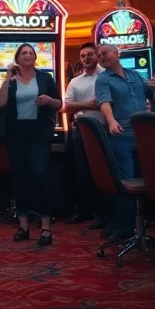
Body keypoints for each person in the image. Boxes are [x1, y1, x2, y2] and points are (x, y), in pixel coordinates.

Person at [94, 44, 155, 239]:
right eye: (99, 54)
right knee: (124, 181)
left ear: (117, 54)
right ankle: (124, 227)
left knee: (149, 179)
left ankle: (147, 224)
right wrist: (111, 121)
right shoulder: (103, 79)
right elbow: (104, 102)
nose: (101, 56)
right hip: (121, 134)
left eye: (105, 53)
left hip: (144, 135)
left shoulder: (134, 75)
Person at [0, 43, 62, 246]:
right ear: (17, 58)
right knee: (20, 178)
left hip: (39, 132)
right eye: (24, 53)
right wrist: (7, 77)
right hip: (16, 134)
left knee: (39, 175)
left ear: (35, 57)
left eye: (31, 53)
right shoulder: (12, 81)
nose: (28, 55)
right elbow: (0, 103)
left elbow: (59, 104)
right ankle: (23, 226)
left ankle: (46, 227)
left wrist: (49, 99)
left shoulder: (45, 78)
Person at [62, 42, 105, 226]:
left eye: (89, 55)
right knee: (82, 171)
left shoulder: (107, 76)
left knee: (103, 172)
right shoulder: (75, 81)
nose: (86, 58)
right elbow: (66, 107)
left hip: (104, 127)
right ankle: (83, 210)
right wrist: (88, 105)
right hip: (82, 129)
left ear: (97, 55)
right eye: (82, 56)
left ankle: (102, 213)